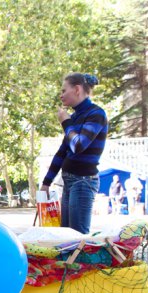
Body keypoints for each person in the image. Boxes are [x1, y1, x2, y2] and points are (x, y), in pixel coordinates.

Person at [40, 73, 108, 233]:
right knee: (65, 236)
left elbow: (78, 145)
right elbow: (63, 152)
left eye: (64, 90)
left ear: (77, 89)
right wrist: (46, 183)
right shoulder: (76, 117)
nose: (61, 95)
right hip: (69, 181)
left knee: (77, 237)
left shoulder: (96, 114)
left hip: (83, 181)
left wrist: (66, 122)